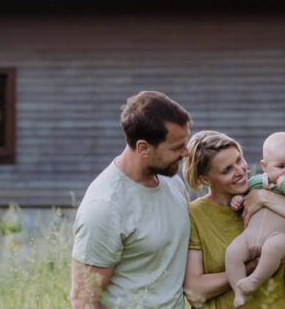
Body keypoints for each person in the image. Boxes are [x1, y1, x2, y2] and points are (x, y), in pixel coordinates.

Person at [182, 131, 285, 309]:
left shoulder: (272, 191)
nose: (240, 171)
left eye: (239, 160)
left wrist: (265, 198)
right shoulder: (195, 215)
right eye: (227, 170)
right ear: (205, 179)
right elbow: (195, 290)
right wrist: (251, 267)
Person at [70, 91, 193, 309]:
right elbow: (84, 299)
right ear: (143, 148)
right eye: (176, 147)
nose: (186, 153)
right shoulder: (104, 207)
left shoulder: (172, 181)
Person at [225, 132, 285, 308]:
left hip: (278, 237)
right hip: (250, 235)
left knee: (274, 249)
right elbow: (242, 192)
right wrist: (238, 199)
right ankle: (239, 290)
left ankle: (254, 281)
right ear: (265, 166)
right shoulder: (257, 182)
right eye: (281, 166)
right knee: (232, 252)